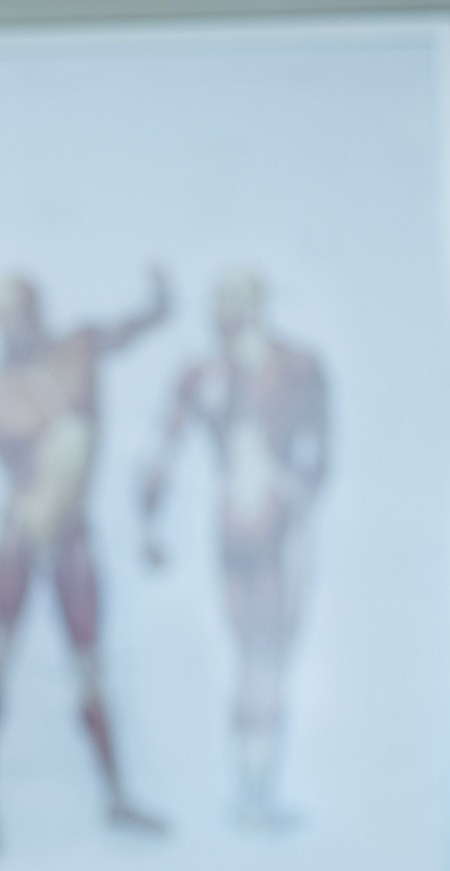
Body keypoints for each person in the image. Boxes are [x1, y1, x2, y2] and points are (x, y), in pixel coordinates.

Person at [0, 271, 168, 850]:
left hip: (71, 537)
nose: (17, 324)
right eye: (6, 315)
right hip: (18, 536)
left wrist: (158, 305)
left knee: (89, 666)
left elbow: (128, 330)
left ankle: (115, 796)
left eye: (23, 311)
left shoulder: (78, 352)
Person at [141, 270, 330, 829]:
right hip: (240, 518)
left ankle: (260, 784)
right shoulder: (203, 375)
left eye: (238, 303)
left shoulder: (297, 367)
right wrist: (149, 521)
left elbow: (321, 446)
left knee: (270, 656)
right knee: (256, 655)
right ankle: (252, 788)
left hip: (274, 512)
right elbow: (161, 448)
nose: (229, 314)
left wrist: (298, 495)